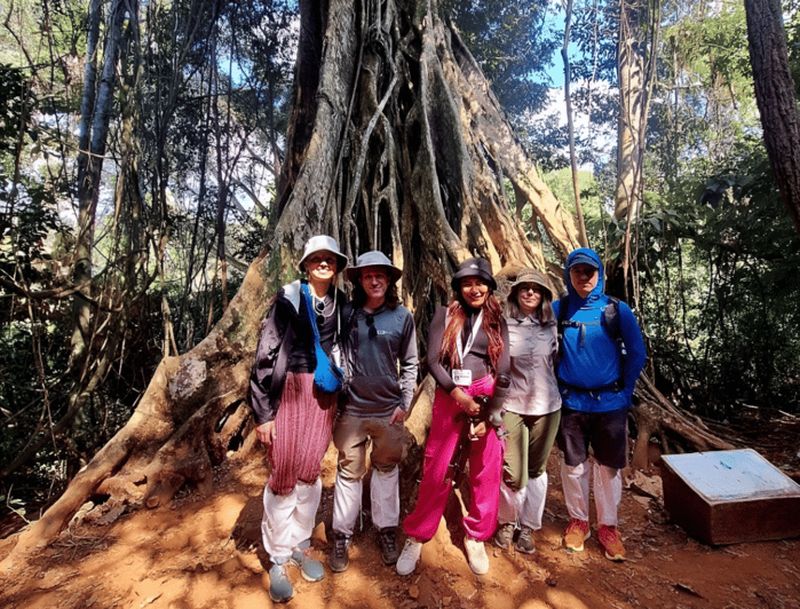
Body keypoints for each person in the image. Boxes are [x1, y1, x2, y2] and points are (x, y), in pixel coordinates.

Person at [248, 235, 349, 603]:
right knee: (284, 474)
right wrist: (263, 413)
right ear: (306, 265)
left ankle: (298, 545)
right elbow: (266, 353)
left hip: (324, 395)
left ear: (336, 267)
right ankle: (277, 558)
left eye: (329, 259)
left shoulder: (342, 303)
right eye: (316, 258)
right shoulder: (289, 298)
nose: (323, 263)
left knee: (309, 471)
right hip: (290, 389)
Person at [396, 257, 509, 577]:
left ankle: (476, 536)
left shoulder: (497, 319)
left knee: (487, 468)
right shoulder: (444, 315)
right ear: (459, 288)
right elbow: (433, 361)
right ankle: (418, 533)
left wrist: (490, 413)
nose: (474, 289)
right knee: (437, 464)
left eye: (480, 283)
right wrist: (457, 395)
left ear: (489, 286)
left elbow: (504, 369)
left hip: (486, 395)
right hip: (450, 395)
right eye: (467, 284)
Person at [328, 251, 418, 572]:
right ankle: (342, 534)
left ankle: (386, 530)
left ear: (389, 279)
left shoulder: (402, 317)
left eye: (380, 275)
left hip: (388, 411)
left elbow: (410, 362)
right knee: (348, 472)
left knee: (386, 469)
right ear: (360, 281)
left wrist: (404, 403)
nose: (375, 280)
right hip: (351, 410)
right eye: (368, 275)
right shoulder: (346, 313)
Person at [554, 247, 646, 561]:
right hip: (572, 402)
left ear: (599, 274)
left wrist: (625, 392)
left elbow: (637, 353)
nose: (584, 277)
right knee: (573, 465)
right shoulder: (560, 309)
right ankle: (578, 521)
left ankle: (608, 526)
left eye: (589, 271)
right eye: (577, 271)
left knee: (608, 467)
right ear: (568, 274)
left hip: (610, 403)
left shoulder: (616, 310)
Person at [494, 269, 561, 555]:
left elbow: (556, 361)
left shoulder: (551, 326)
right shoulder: (504, 326)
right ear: (516, 294)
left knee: (537, 470)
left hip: (547, 406)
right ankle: (507, 521)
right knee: (513, 472)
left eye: (536, 289)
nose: (530, 292)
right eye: (525, 288)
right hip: (513, 404)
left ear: (543, 296)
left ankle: (528, 526)